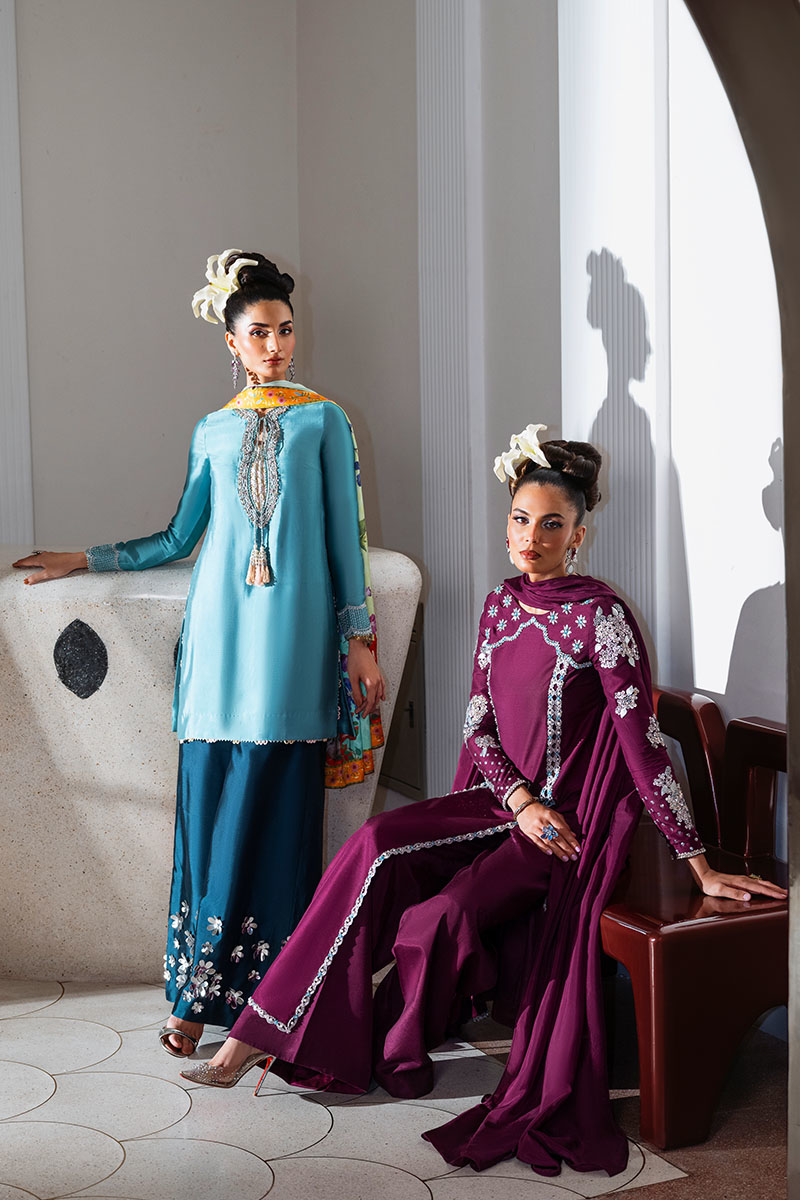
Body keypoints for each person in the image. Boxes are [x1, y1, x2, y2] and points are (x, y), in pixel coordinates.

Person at [13, 250, 386, 1058]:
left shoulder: (325, 420)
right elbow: (179, 537)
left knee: (273, 820)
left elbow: (345, 542)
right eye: (259, 333)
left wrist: (358, 640)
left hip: (290, 650)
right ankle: (191, 998)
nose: (276, 346)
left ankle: (271, 1004)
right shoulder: (211, 429)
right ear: (230, 341)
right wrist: (84, 558)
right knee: (209, 816)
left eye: (286, 330)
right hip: (216, 648)